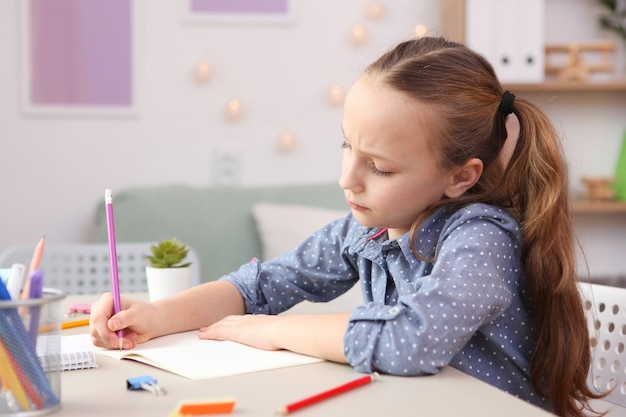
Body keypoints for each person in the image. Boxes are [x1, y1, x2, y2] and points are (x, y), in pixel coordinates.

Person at [90, 36, 604, 416]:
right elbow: (261, 285)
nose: (347, 179)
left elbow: (413, 341)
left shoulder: (480, 238)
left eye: (379, 167)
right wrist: (157, 314)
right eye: (346, 148)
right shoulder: (369, 231)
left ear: (459, 177)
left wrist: (275, 332)